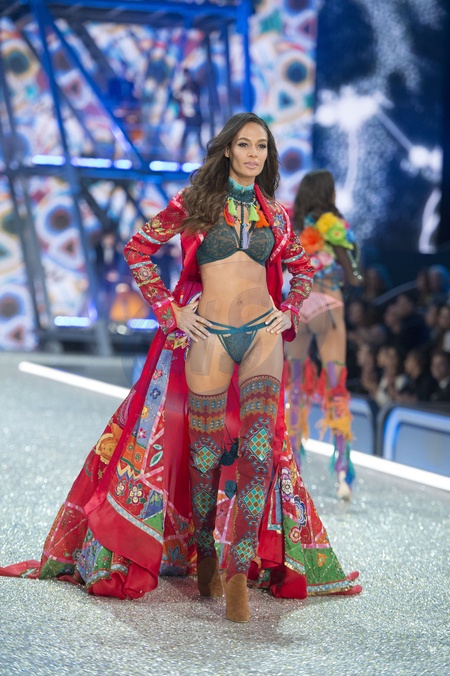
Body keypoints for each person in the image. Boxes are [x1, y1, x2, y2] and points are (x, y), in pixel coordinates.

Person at [0, 114, 361, 622]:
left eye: (261, 146)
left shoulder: (277, 216)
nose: (253, 154)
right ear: (228, 150)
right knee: (205, 458)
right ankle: (206, 551)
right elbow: (137, 249)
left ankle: (237, 574)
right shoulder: (195, 204)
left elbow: (302, 268)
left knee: (260, 454)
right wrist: (171, 310)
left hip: (262, 336)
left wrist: (290, 309)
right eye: (245, 144)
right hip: (210, 336)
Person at [284, 169, 363, 501]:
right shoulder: (334, 225)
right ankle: (343, 473)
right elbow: (353, 275)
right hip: (329, 304)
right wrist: (351, 265)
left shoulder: (291, 225)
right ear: (329, 193)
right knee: (336, 386)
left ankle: (291, 470)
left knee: (295, 388)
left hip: (300, 305)